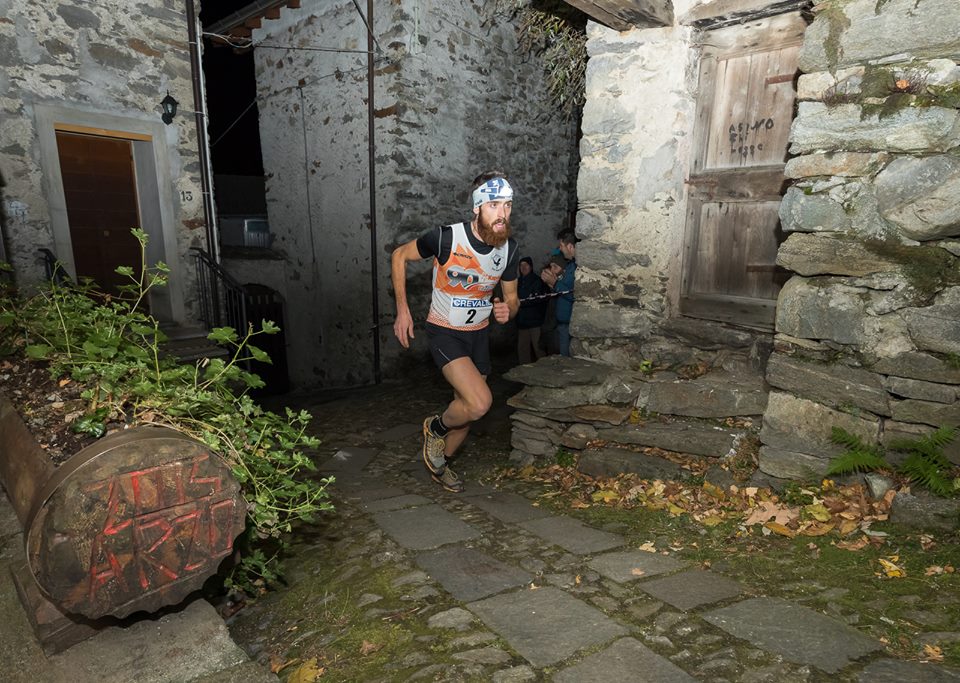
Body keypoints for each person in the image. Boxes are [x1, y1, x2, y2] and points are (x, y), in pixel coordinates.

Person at [391, 171, 520, 492]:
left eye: (507, 205)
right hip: (445, 332)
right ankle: (434, 428)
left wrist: (508, 309)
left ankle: (441, 463)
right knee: (479, 402)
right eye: (493, 205)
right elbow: (399, 256)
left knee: (467, 411)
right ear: (477, 208)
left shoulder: (509, 250)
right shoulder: (446, 238)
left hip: (478, 336)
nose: (502, 214)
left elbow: (513, 299)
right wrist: (403, 309)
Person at [515, 256, 547, 364]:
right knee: (522, 349)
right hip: (522, 321)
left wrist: (520, 301)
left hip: (535, 321)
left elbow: (537, 299)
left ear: (531, 266)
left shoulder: (537, 281)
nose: (523, 267)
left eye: (526, 265)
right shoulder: (517, 282)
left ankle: (544, 372)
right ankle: (524, 373)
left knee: (538, 348)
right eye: (521, 265)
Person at [554, 229, 579, 356]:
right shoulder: (570, 265)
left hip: (571, 326)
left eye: (561, 246)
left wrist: (554, 283)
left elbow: (576, 295)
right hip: (564, 324)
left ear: (569, 246)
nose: (560, 249)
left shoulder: (579, 268)